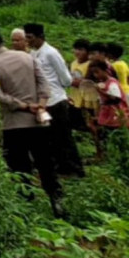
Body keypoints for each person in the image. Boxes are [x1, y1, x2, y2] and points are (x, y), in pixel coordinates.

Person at [0, 27, 64, 218]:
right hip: (38, 123)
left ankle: (26, 207)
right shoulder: (28, 57)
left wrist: (24, 106)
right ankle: (56, 199)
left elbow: (0, 97)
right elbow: (44, 83)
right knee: (45, 162)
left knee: (19, 166)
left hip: (14, 125)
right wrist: (40, 104)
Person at [24, 23, 84, 177]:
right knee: (50, 136)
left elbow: (65, 78)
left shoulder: (51, 53)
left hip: (56, 100)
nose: (28, 40)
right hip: (43, 102)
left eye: (30, 37)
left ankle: (75, 169)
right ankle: (60, 167)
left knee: (63, 136)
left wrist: (58, 88)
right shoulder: (33, 54)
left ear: (40, 37)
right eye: (26, 37)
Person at [88, 59, 129, 141]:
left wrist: (101, 91)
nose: (96, 75)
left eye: (97, 72)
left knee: (114, 130)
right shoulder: (103, 83)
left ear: (105, 70)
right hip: (106, 112)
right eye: (94, 73)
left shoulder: (112, 83)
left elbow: (115, 98)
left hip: (114, 112)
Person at [106, 42, 129, 119]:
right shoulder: (123, 64)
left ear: (109, 54)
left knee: (119, 117)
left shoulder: (112, 66)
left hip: (119, 94)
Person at [68, 38, 93, 131]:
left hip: (87, 100)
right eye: (76, 49)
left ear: (88, 52)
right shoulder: (73, 63)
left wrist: (70, 81)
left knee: (88, 125)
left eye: (81, 50)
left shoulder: (90, 65)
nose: (77, 52)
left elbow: (86, 83)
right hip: (74, 98)